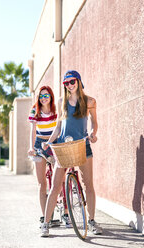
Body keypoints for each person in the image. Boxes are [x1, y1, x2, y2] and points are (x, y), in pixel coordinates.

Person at [41, 70, 102, 237]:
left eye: (72, 81)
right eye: (66, 83)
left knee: (88, 184)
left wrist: (93, 134)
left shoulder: (90, 101)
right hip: (64, 147)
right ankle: (45, 224)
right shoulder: (62, 102)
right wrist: (49, 141)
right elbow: (58, 127)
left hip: (83, 145)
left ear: (79, 81)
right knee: (55, 186)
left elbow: (94, 123)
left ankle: (92, 221)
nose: (69, 85)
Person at [28, 85, 57, 226]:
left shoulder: (56, 110)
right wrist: (31, 147)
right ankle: (46, 217)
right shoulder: (35, 110)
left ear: (51, 96)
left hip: (53, 143)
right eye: (41, 96)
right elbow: (33, 130)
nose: (44, 98)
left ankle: (64, 210)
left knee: (58, 181)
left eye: (46, 95)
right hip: (39, 143)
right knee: (41, 183)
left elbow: (59, 128)